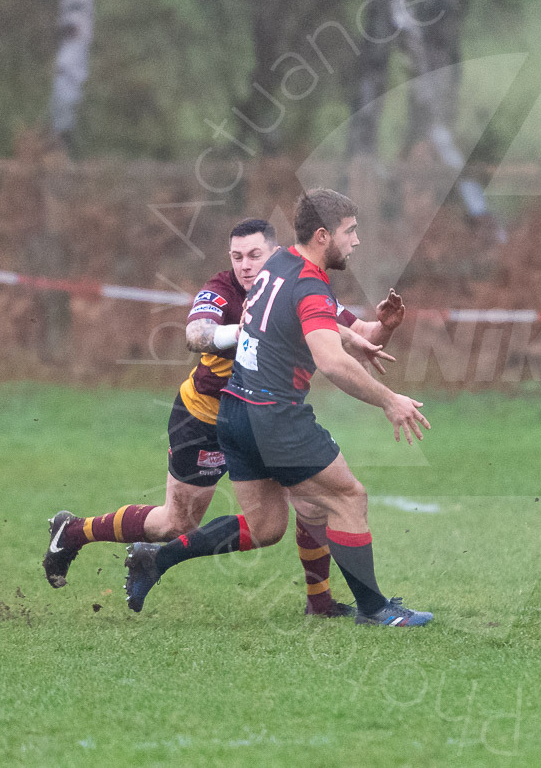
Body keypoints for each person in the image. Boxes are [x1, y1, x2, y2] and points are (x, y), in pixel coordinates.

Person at [41, 218, 403, 618]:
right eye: (237, 257)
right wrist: (245, 330)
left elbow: (363, 336)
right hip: (205, 417)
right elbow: (195, 335)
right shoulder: (221, 290)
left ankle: (319, 602)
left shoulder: (294, 283)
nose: (245, 265)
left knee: (307, 503)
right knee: (176, 523)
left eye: (254, 255)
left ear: (275, 254)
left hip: (264, 418)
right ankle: (75, 530)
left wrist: (385, 326)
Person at [123, 188, 434, 627]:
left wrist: (371, 330)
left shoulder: (279, 265)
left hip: (235, 412)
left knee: (266, 527)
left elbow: (319, 327)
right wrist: (390, 400)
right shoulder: (309, 285)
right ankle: (374, 608)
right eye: (350, 231)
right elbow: (331, 362)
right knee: (349, 497)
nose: (356, 241)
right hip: (275, 417)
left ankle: (156, 560)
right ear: (323, 235)